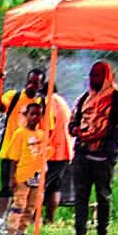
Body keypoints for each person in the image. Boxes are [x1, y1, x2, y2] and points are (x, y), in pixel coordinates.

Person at [71, 60, 118, 235]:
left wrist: (105, 136)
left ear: (107, 77)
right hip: (82, 152)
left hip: (105, 155)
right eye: (92, 75)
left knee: (103, 194)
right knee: (80, 194)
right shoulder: (84, 98)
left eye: (98, 75)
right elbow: (73, 121)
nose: (93, 79)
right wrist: (76, 130)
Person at [0, 87, 52, 235]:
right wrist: (12, 178)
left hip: (37, 175)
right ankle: (11, 231)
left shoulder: (42, 135)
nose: (35, 117)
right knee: (19, 204)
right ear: (26, 116)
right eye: (32, 114)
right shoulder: (20, 134)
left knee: (31, 206)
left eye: (38, 114)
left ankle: (21, 231)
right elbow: (13, 158)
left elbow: (45, 155)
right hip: (22, 176)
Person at [40, 85, 72, 224]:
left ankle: (32, 217)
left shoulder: (48, 101)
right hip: (65, 150)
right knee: (55, 185)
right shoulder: (63, 102)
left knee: (40, 185)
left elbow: (48, 125)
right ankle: (50, 219)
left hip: (52, 151)